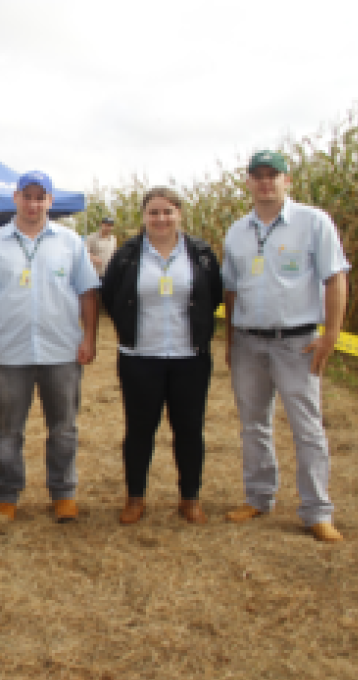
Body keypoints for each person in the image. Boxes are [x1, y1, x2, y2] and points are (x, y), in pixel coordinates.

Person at [222, 150, 350, 543]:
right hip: (248, 341)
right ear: (247, 182)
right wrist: (229, 339)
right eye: (257, 176)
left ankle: (316, 511)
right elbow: (230, 288)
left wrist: (330, 335)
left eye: (272, 175)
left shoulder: (313, 223)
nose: (265, 182)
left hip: (297, 343)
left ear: (286, 181)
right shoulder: (237, 231)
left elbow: (335, 278)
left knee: (306, 428)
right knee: (253, 424)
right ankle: (259, 497)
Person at [0, 171, 99, 524]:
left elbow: (88, 292)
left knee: (63, 428)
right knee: (8, 430)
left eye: (40, 197)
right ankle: (7, 494)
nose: (33, 203)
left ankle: (63, 493)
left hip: (62, 351)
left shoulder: (71, 243)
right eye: (27, 196)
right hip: (10, 354)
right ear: (16, 198)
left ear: (50, 201)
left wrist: (89, 338)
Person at [100, 187, 223, 525]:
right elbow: (110, 296)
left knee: (189, 429)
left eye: (167, 211)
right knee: (140, 430)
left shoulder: (199, 253)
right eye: (153, 212)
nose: (161, 219)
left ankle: (190, 498)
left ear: (179, 214)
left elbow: (212, 295)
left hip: (190, 357)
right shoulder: (127, 254)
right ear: (144, 216)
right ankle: (135, 498)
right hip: (140, 357)